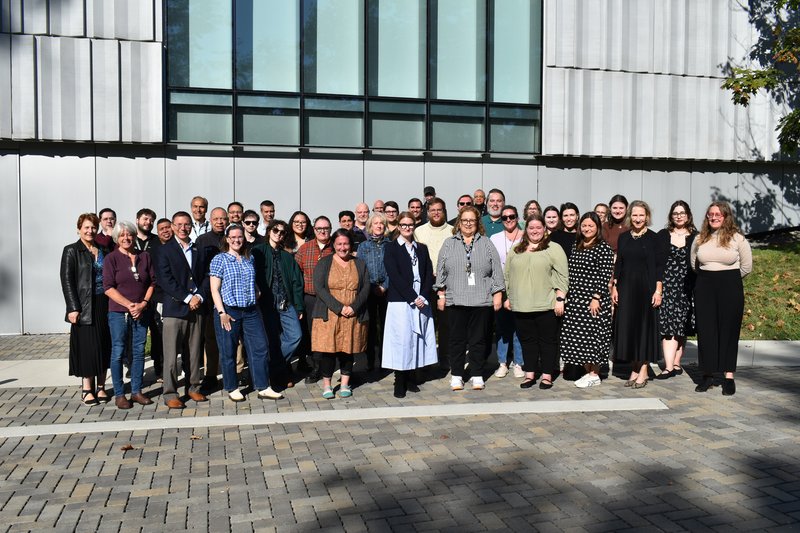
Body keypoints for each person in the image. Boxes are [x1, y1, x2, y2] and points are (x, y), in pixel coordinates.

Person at [209, 224, 283, 402]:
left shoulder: (249, 258)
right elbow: (214, 289)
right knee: (229, 351)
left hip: (250, 311)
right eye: (233, 237)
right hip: (229, 311)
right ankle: (232, 387)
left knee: (260, 348)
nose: (237, 240)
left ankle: (263, 386)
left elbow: (252, 280)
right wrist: (222, 312)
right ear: (227, 239)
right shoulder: (220, 259)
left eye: (239, 237)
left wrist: (256, 290)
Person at [436, 206, 504, 391]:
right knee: (456, 340)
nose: (468, 224)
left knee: (478, 340)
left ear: (477, 223)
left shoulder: (486, 243)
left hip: (481, 300)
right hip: (455, 300)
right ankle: (457, 375)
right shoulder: (449, 243)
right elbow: (440, 271)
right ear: (459, 222)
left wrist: (498, 294)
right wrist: (441, 294)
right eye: (464, 220)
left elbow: (496, 271)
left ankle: (477, 374)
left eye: (472, 220)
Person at [691, 201, 752, 396]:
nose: (714, 217)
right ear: (707, 217)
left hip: (730, 287)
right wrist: (709, 277)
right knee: (706, 330)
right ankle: (707, 375)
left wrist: (727, 278)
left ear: (726, 217)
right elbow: (694, 264)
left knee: (729, 330)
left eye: (718, 214)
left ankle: (728, 376)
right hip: (704, 286)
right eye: (711, 214)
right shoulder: (700, 238)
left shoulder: (738, 238)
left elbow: (746, 266)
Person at [504, 214, 568, 390]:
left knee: (547, 341)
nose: (535, 231)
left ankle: (547, 375)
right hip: (521, 305)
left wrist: (560, 298)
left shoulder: (553, 248)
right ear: (526, 230)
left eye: (538, 227)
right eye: (531, 228)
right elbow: (507, 275)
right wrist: (508, 297)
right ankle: (530, 374)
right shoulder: (516, 249)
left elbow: (563, 275)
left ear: (544, 229)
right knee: (527, 341)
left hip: (546, 304)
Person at [156, 211, 210, 409]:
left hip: (197, 307)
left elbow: (206, 276)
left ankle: (194, 387)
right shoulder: (164, 250)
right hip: (174, 308)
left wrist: (199, 296)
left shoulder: (198, 249)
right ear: (172, 226)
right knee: (171, 355)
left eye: (187, 224)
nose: (183, 228)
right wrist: (188, 298)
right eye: (178, 224)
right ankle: (170, 392)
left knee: (194, 352)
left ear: (191, 226)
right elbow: (165, 279)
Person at [382, 212, 438, 398]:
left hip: (421, 300)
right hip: (401, 301)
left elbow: (428, 274)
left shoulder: (421, 248)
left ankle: (412, 377)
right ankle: (400, 380)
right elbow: (394, 275)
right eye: (404, 225)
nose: (407, 228)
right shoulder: (391, 248)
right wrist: (413, 297)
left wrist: (423, 295)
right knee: (402, 341)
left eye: (410, 225)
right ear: (398, 226)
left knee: (417, 339)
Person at [611, 201, 666, 389]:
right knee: (630, 329)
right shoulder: (624, 237)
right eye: (634, 215)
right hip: (626, 288)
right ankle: (635, 367)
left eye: (641, 215)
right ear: (629, 216)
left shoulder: (654, 238)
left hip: (646, 289)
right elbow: (619, 263)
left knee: (644, 330)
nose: (638, 218)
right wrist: (615, 286)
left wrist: (658, 290)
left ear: (647, 216)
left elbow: (659, 267)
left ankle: (643, 370)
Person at [311, 229, 370, 399]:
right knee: (328, 351)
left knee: (347, 350)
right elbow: (319, 288)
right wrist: (339, 307)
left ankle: (345, 383)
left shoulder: (359, 263)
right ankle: (327, 385)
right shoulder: (324, 263)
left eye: (346, 244)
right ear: (333, 245)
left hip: (352, 313)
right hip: (329, 314)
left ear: (351, 245)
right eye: (339, 244)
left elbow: (366, 287)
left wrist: (354, 307)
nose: (343, 248)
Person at [103, 221, 156, 409]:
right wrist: (129, 305)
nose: (126, 238)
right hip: (119, 313)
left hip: (141, 311)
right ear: (117, 238)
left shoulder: (144, 256)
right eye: (122, 235)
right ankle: (119, 394)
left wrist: (143, 304)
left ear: (134, 236)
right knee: (118, 351)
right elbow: (108, 287)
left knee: (138, 351)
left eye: (130, 234)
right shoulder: (111, 258)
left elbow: (152, 282)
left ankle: (136, 391)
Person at [60, 213, 111, 406]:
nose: (90, 231)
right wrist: (73, 307)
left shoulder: (103, 249)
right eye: (86, 227)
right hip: (84, 306)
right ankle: (87, 389)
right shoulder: (71, 250)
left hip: (105, 303)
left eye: (93, 227)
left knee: (104, 344)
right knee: (88, 347)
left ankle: (101, 387)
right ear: (79, 229)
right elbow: (67, 281)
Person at [560, 212, 615, 388]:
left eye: (591, 225)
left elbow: (605, 275)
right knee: (579, 338)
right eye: (584, 225)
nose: (587, 228)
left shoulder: (603, 248)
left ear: (598, 227)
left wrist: (596, 297)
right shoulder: (577, 245)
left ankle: (594, 374)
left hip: (594, 300)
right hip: (576, 300)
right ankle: (587, 371)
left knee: (594, 337)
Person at [252, 220, 304, 389]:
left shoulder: (287, 256)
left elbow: (297, 282)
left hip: (285, 303)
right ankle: (278, 374)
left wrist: (299, 306)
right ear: (269, 231)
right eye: (275, 230)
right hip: (266, 303)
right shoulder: (258, 251)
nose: (278, 234)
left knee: (295, 336)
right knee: (271, 340)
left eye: (282, 232)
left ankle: (273, 368)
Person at [655, 200, 698, 380]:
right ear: (671, 216)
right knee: (668, 326)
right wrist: (657, 287)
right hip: (668, 286)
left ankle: (676, 363)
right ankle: (668, 367)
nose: (679, 216)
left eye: (682, 213)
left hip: (688, 286)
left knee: (682, 325)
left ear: (688, 215)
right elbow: (657, 262)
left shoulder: (696, 236)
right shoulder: (663, 235)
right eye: (675, 213)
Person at [414, 198, 454, 369]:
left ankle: (445, 357)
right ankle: (425, 359)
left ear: (444, 211)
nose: (436, 213)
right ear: (427, 212)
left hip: (448, 284)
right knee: (425, 322)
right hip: (425, 283)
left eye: (439, 210)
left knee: (446, 323)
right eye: (433, 210)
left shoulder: (453, 231)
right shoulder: (419, 231)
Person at [295, 216, 334, 382]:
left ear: (330, 229)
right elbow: (296, 275)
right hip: (310, 298)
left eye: (326, 228)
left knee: (329, 333)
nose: (322, 231)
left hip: (331, 299)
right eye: (319, 229)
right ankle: (316, 367)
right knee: (312, 334)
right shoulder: (305, 248)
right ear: (314, 230)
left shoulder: (336, 247)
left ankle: (328, 365)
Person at [489, 206, 525, 379]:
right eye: (505, 217)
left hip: (522, 287)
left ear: (517, 218)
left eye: (512, 216)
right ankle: (502, 362)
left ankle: (519, 363)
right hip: (501, 288)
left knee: (520, 327)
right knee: (502, 328)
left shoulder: (525, 236)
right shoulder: (495, 238)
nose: (508, 220)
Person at [356, 213, 390, 371]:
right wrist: (370, 287)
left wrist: (384, 286)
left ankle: (385, 359)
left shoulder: (390, 245)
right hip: (369, 291)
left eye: (381, 223)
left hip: (386, 291)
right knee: (369, 327)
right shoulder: (363, 246)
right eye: (375, 223)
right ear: (370, 226)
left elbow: (393, 269)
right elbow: (360, 269)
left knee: (386, 326)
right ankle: (370, 360)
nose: (379, 226)